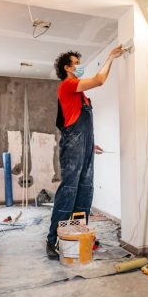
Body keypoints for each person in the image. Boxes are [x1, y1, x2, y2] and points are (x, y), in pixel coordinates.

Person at [46, 45, 124, 259]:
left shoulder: (82, 96)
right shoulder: (68, 85)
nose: (80, 66)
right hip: (72, 147)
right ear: (67, 68)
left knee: (85, 191)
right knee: (69, 190)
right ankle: (53, 239)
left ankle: (77, 235)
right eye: (77, 63)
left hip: (84, 146)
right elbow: (99, 80)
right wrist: (110, 57)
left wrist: (91, 144)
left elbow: (82, 125)